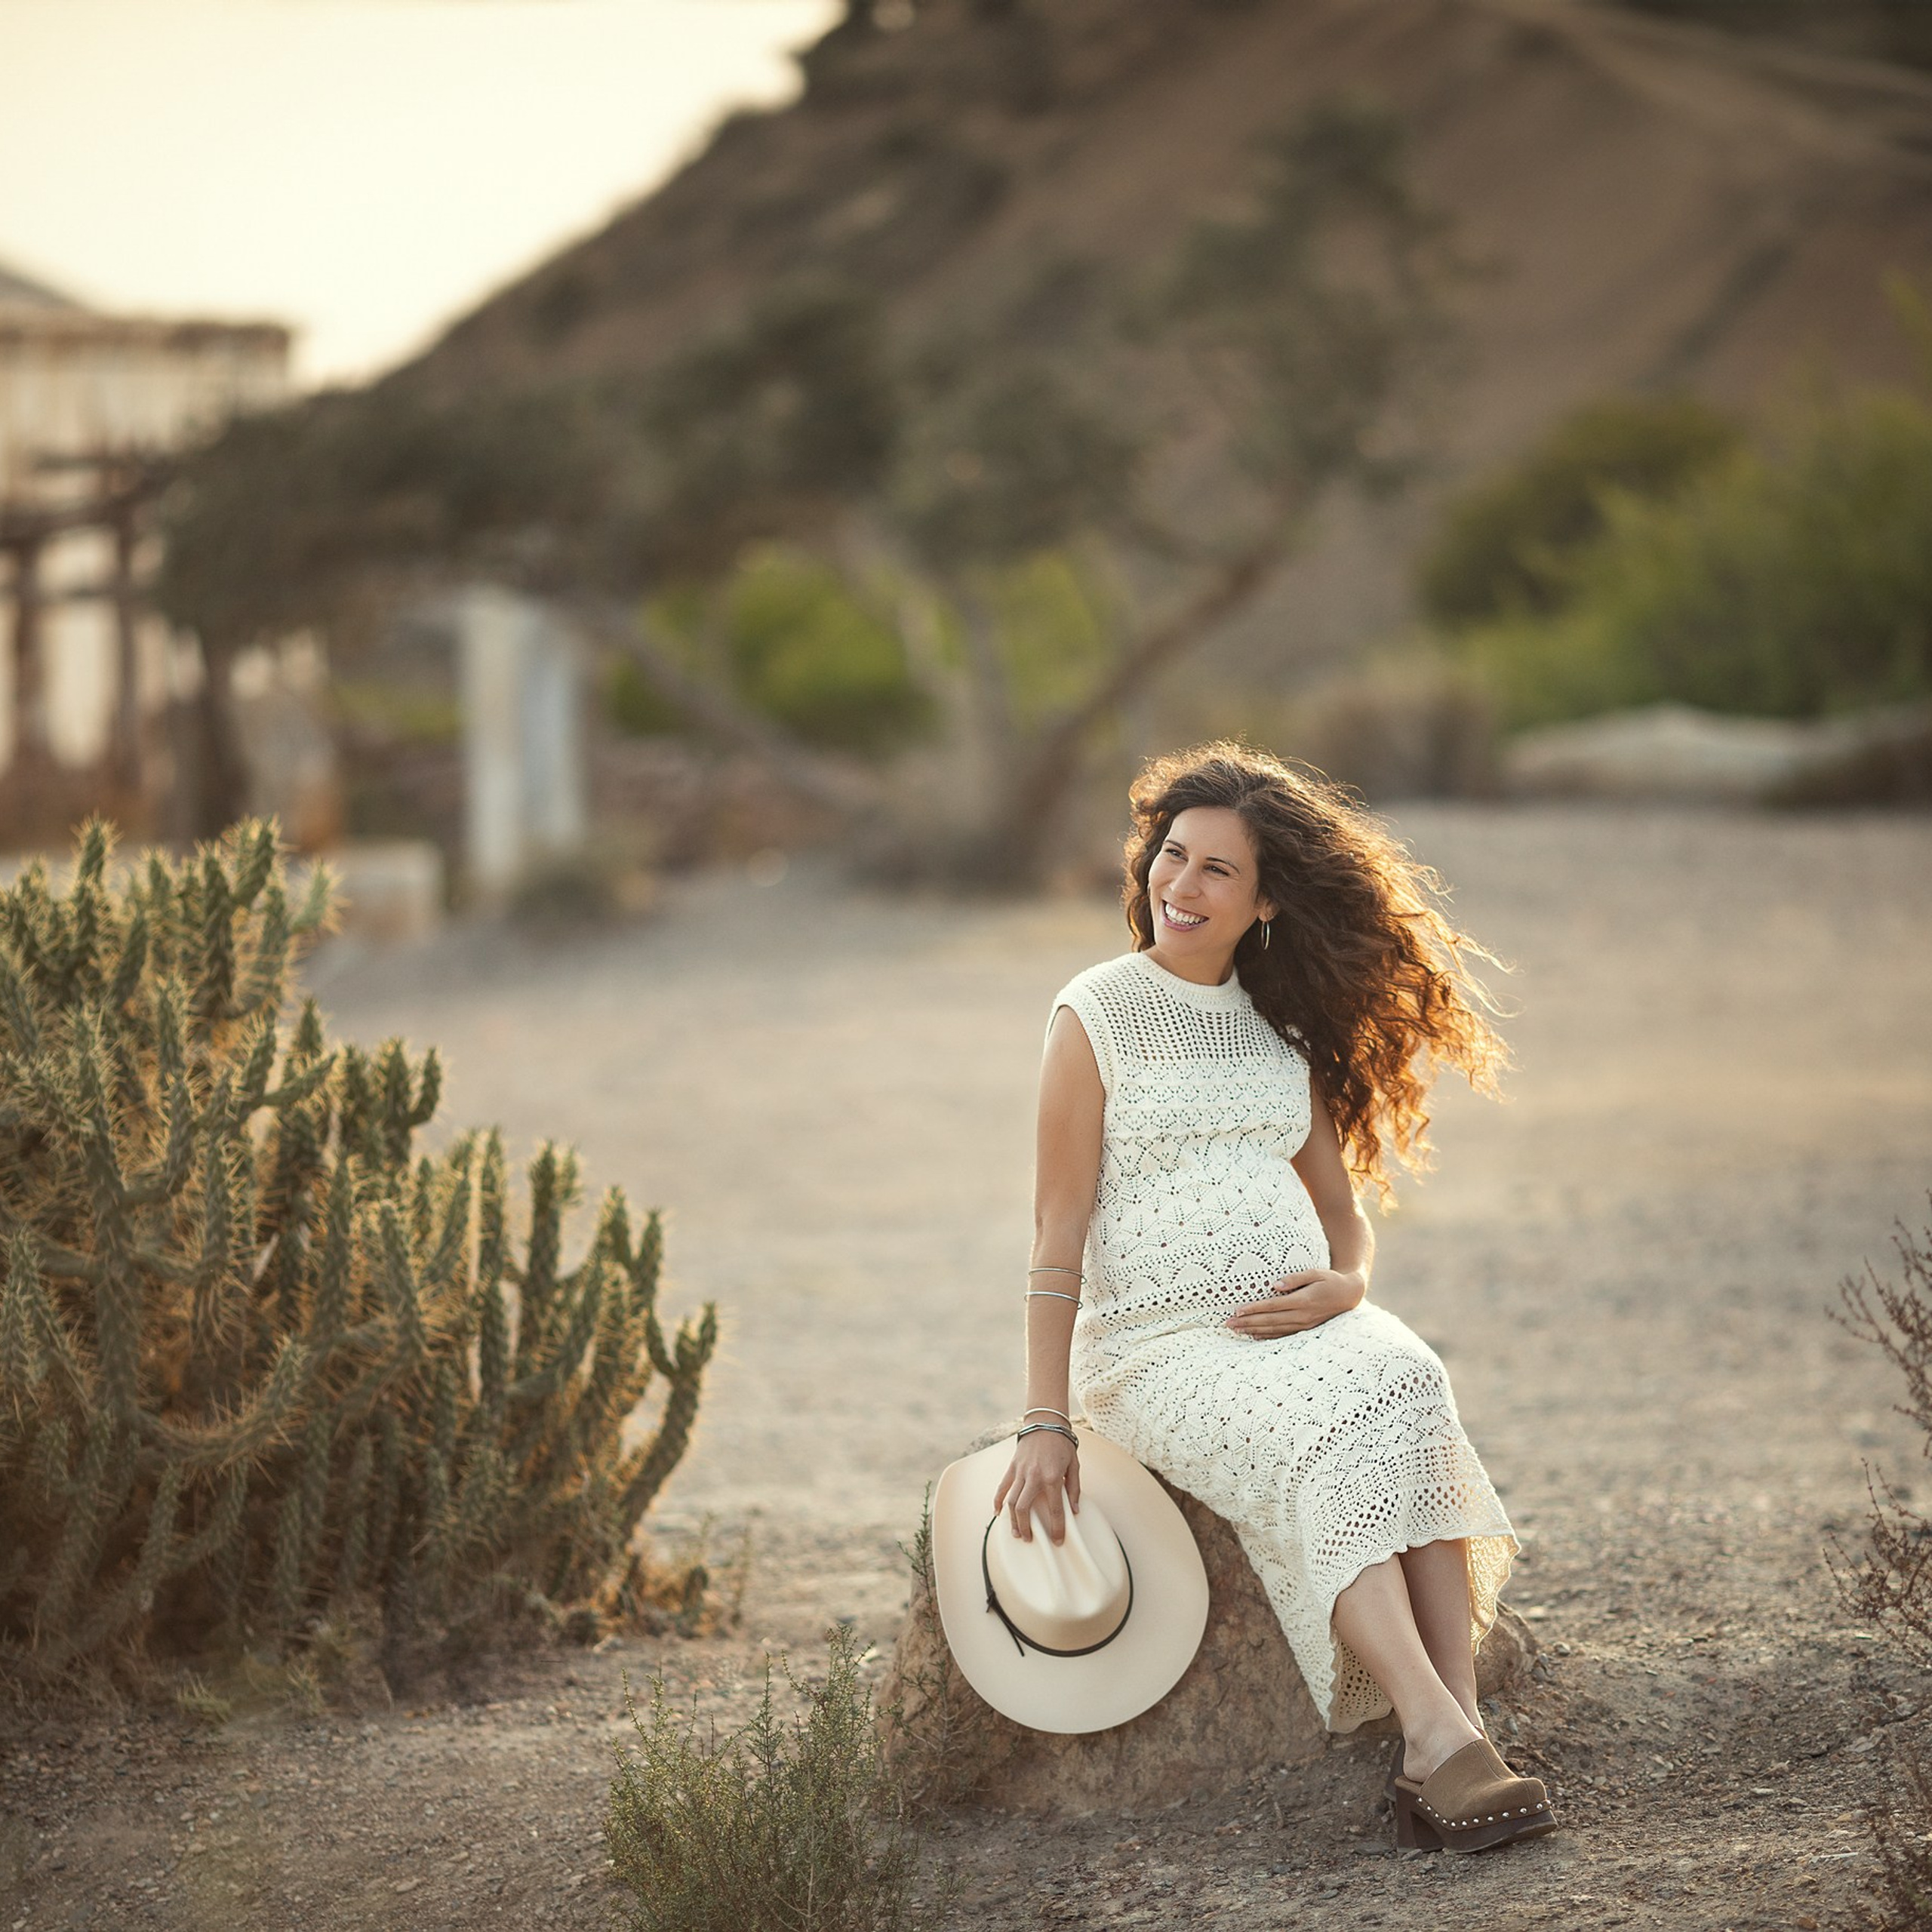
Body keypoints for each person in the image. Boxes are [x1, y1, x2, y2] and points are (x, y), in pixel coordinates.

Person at [992, 741, 1557, 1854]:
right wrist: (1044, 1419)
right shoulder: (1095, 1013)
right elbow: (1057, 1234)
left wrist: (1348, 1285)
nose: (1179, 886)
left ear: (1265, 903)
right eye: (1172, 855)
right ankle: (1436, 1737)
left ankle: (1454, 1740)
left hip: (1301, 1329)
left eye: (1215, 871)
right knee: (1321, 1430)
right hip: (1158, 1353)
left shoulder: (1276, 1033)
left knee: (1406, 1376)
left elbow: (1343, 1215)